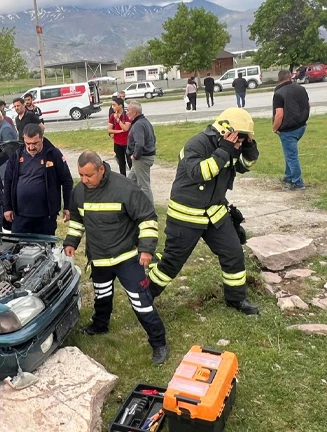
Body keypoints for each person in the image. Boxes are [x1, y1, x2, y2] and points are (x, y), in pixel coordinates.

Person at [147, 108, 260, 316]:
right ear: (226, 131)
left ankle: (236, 299)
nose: (240, 144)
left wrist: (249, 146)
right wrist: (224, 150)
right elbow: (200, 173)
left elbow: (245, 164)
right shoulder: (197, 144)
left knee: (233, 252)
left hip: (214, 212)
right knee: (172, 262)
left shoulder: (232, 145)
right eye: (239, 138)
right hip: (186, 214)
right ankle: (144, 296)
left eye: (244, 139)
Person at [64, 151, 168, 365]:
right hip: (99, 258)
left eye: (89, 175)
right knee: (102, 295)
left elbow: (147, 218)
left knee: (141, 302)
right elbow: (77, 220)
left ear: (101, 169)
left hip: (127, 257)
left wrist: (147, 249)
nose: (84, 180)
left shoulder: (125, 188)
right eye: (81, 175)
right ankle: (100, 325)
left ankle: (159, 343)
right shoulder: (79, 192)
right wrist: (71, 242)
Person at [3, 124, 73, 235]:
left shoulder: (53, 154)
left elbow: (67, 180)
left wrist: (68, 206)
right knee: (18, 248)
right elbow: (8, 181)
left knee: (45, 248)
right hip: (20, 215)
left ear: (42, 138)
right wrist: (7, 207)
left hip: (45, 216)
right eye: (28, 143)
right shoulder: (16, 154)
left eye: (35, 143)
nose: (31, 147)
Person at [272, 69, 310, 191]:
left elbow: (279, 114)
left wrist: (275, 128)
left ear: (279, 79)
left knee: (292, 156)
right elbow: (308, 105)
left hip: (288, 129)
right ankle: (288, 176)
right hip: (301, 125)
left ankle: (297, 182)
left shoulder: (278, 93)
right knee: (289, 153)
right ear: (290, 77)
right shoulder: (301, 89)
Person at [126, 101, 156, 203]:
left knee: (144, 185)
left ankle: (149, 210)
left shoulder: (138, 125)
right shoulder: (145, 122)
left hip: (142, 159)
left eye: (128, 110)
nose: (127, 113)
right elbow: (153, 139)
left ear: (134, 112)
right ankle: (130, 204)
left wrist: (135, 156)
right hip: (144, 157)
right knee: (129, 181)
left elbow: (140, 143)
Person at [108, 97, 132, 176]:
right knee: (121, 163)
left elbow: (126, 128)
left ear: (120, 106)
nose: (112, 107)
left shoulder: (127, 115)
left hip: (127, 143)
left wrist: (118, 120)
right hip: (117, 143)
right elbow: (109, 130)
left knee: (130, 162)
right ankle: (123, 178)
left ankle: (133, 179)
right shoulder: (112, 116)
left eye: (114, 105)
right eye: (112, 105)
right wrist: (119, 131)